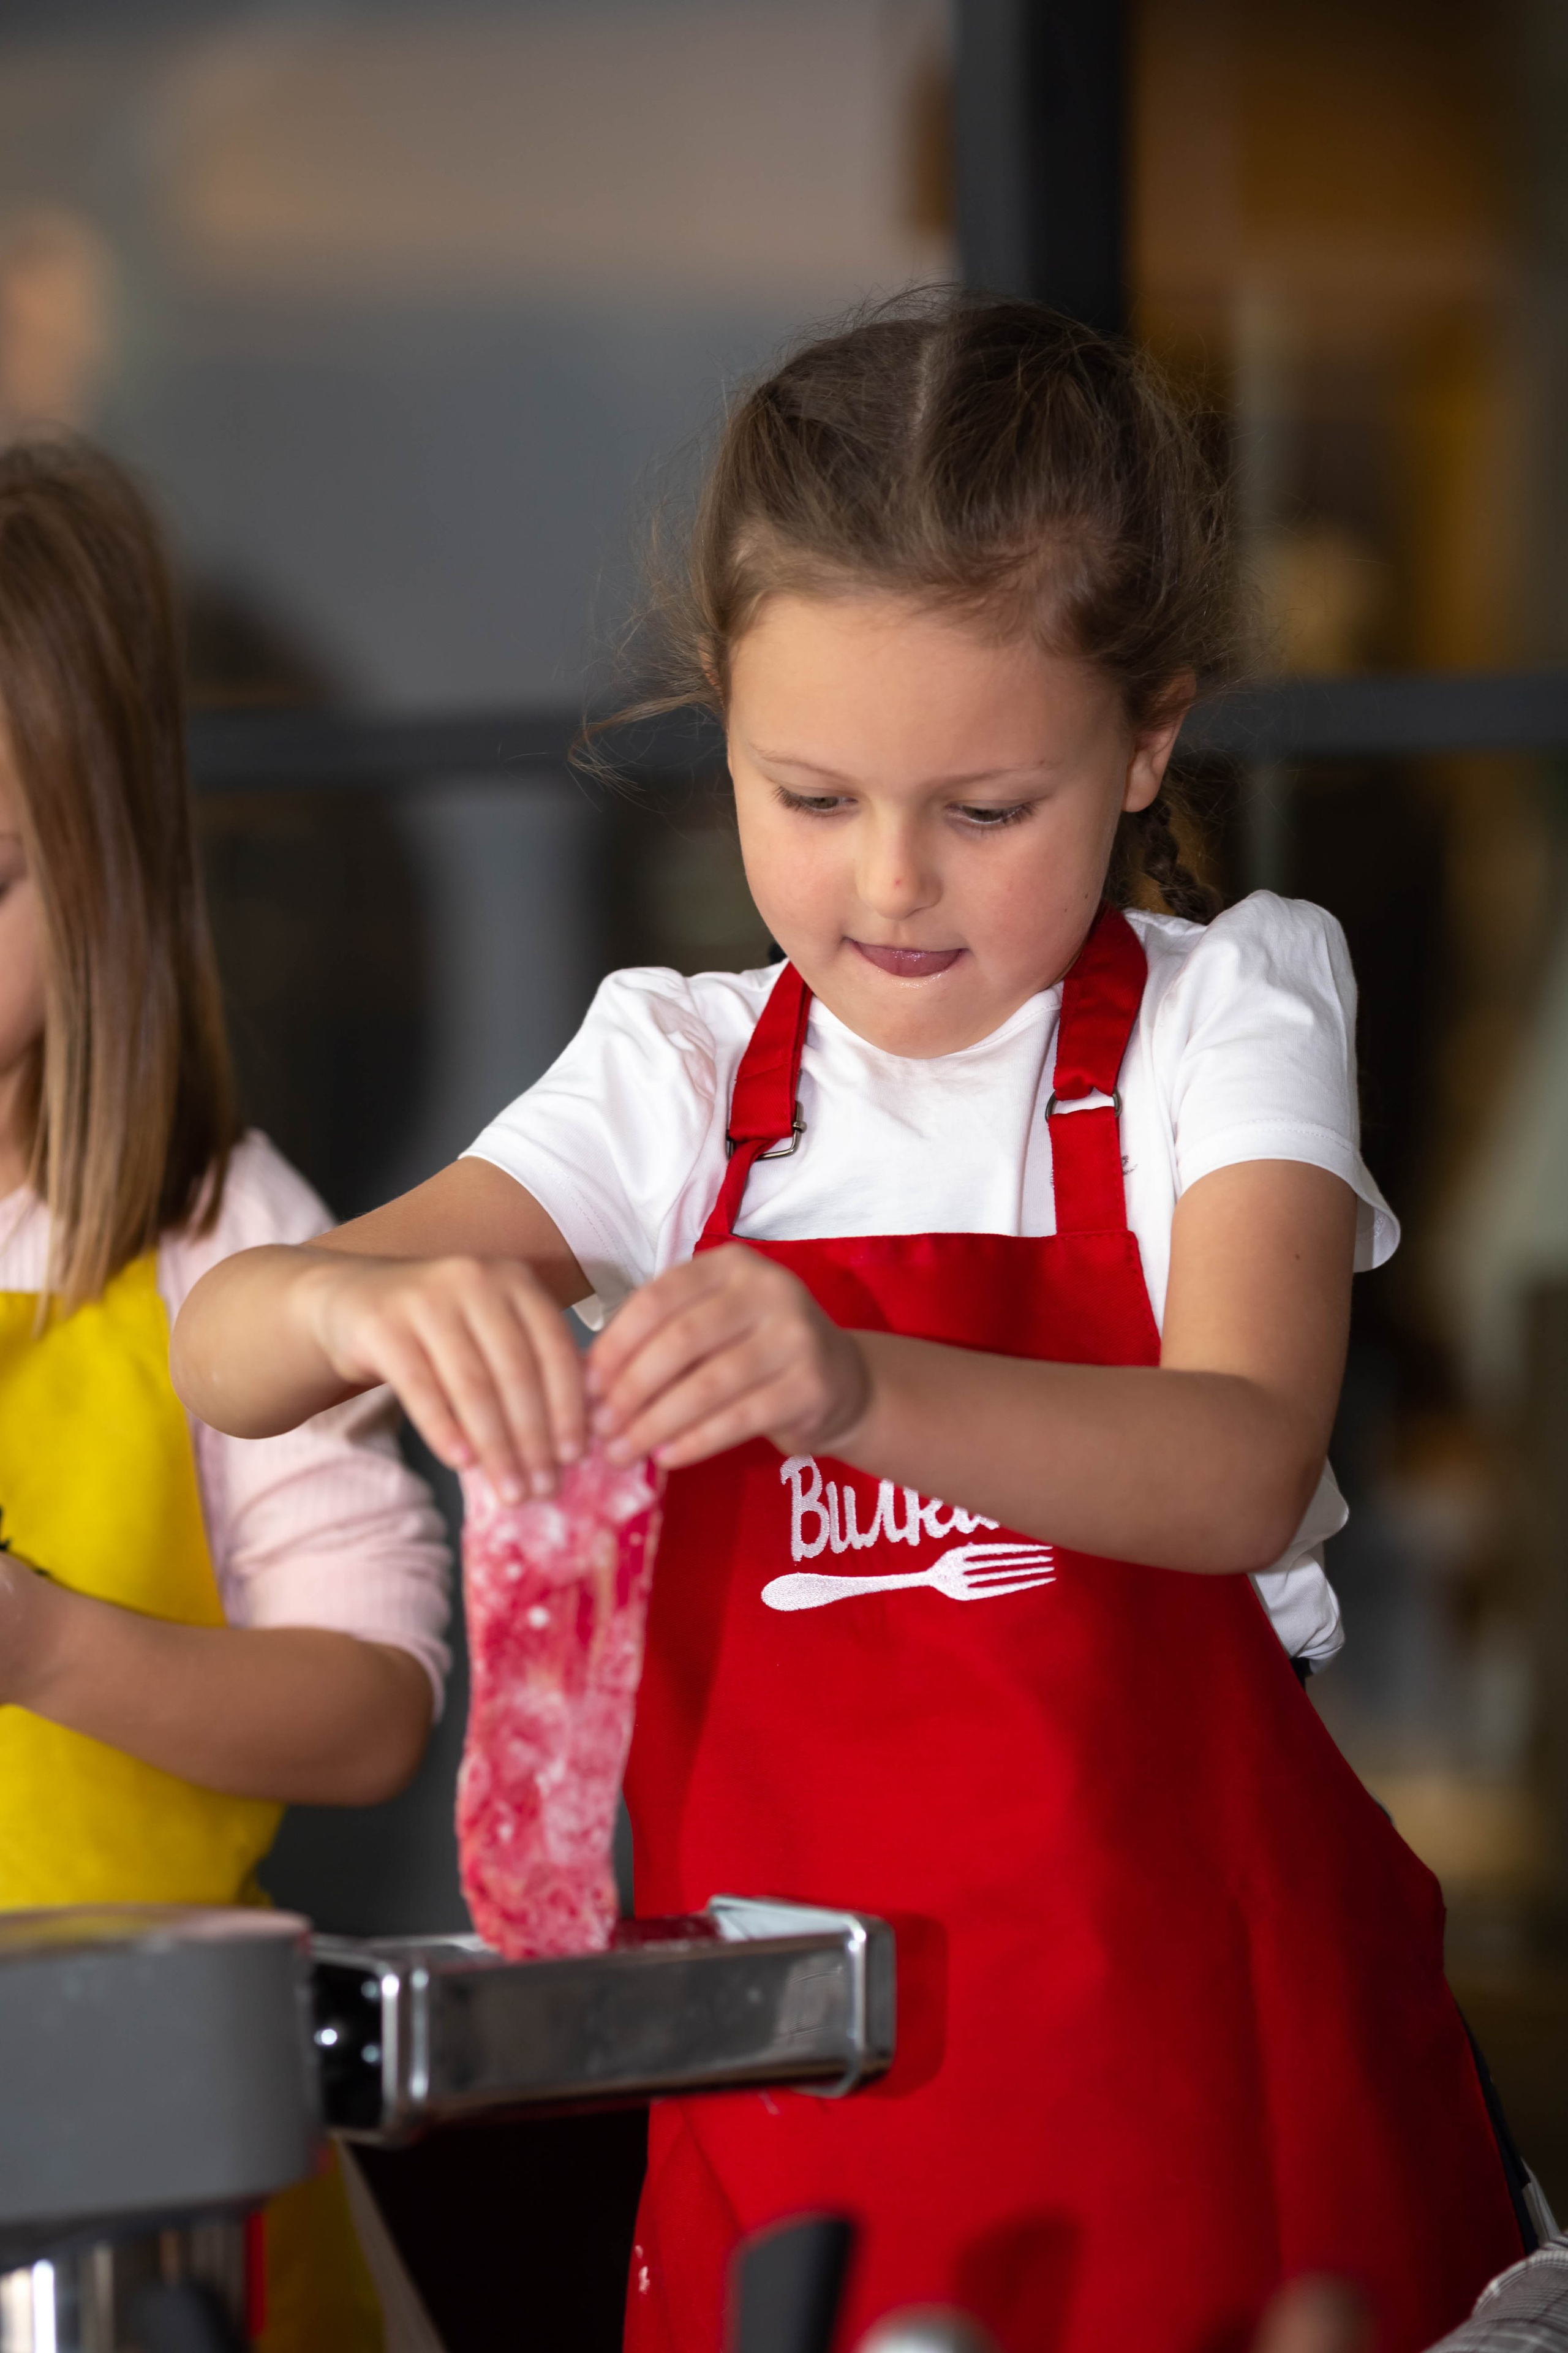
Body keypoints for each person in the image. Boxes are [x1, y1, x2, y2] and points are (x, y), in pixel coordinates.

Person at [173, 295, 1525, 2353]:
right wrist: (379, 1300)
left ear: (1145, 739)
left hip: (1204, 2127)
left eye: (986, 809)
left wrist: (852, 1381)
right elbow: (231, 1351)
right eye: (809, 797)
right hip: (790, 2142)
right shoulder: (672, 1077)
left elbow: (1244, 1458)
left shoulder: (1227, 1015)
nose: (891, 883)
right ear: (723, 725)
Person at [0, 437, 450, 2351]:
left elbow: (374, 1709)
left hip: (164, 2181)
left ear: (104, 869)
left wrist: (46, 1647)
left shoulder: (222, 1240)